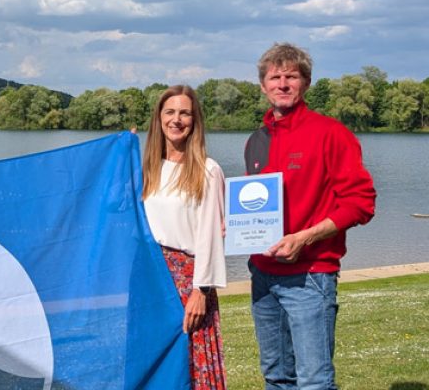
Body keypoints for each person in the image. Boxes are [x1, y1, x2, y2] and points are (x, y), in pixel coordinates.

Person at [245, 43, 376, 390]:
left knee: (314, 381)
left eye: (292, 76)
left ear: (306, 83)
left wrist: (304, 238)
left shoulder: (331, 133)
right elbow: (252, 207)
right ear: (263, 85)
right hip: (263, 275)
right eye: (275, 77)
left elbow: (361, 202)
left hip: (310, 276)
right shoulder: (256, 140)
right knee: (276, 377)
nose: (283, 84)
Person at [142, 85, 227, 389]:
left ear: (194, 120)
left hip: (188, 283)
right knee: (155, 360)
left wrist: (201, 291)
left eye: (185, 113)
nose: (176, 119)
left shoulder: (207, 170)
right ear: (159, 118)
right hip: (151, 280)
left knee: (190, 361)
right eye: (170, 112)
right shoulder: (145, 169)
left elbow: (211, 235)